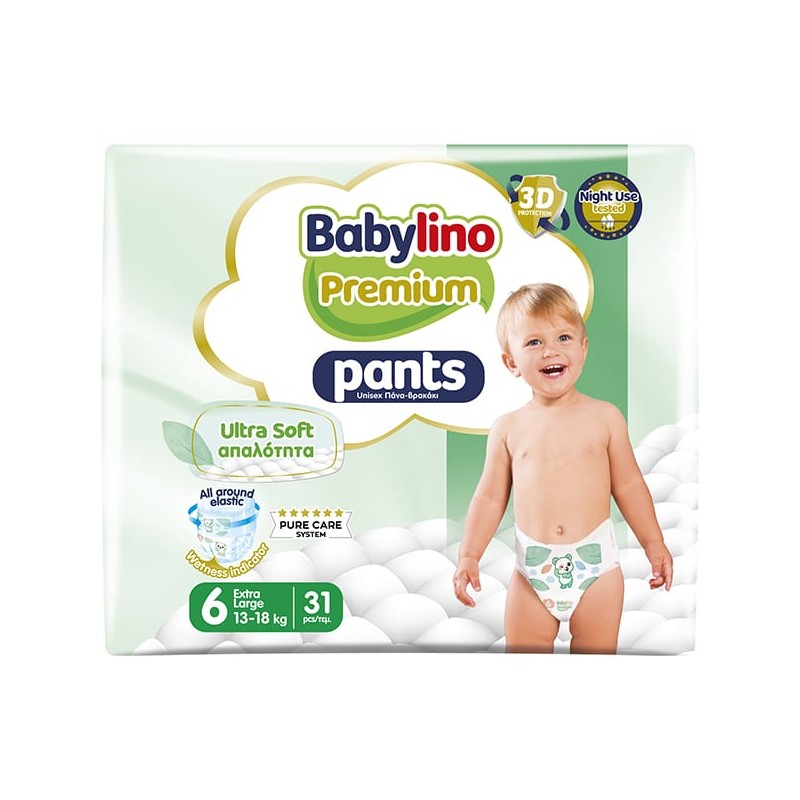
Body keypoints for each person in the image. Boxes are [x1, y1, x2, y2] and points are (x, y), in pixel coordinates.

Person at [453, 283, 673, 654]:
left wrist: (654, 543)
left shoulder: (604, 418)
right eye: (534, 342)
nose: (551, 350)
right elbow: (489, 499)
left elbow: (630, 485)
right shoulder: (507, 428)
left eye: (564, 337)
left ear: (583, 348)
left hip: (597, 567)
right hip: (532, 571)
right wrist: (468, 556)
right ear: (512, 362)